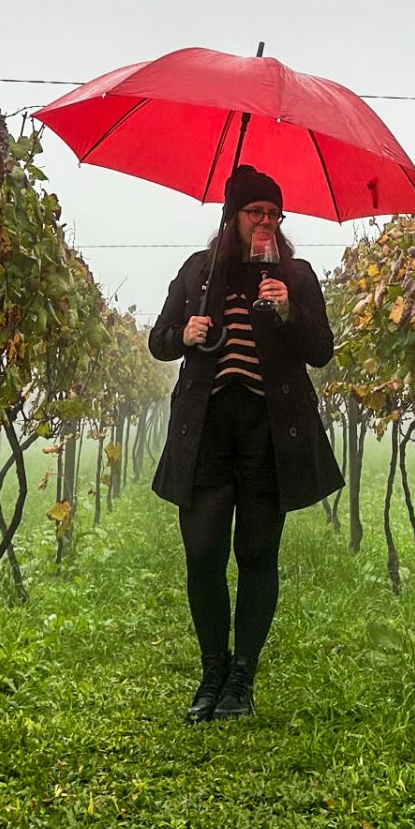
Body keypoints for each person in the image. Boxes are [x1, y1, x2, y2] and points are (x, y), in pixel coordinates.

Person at [149, 163, 341, 721]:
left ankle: (241, 679)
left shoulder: (296, 275)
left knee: (257, 554)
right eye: (256, 212)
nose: (266, 223)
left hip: (268, 431)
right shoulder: (197, 274)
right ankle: (212, 670)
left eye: (274, 215)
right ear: (232, 217)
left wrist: (289, 310)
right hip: (208, 429)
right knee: (203, 553)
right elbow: (159, 340)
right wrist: (184, 336)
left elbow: (321, 349)